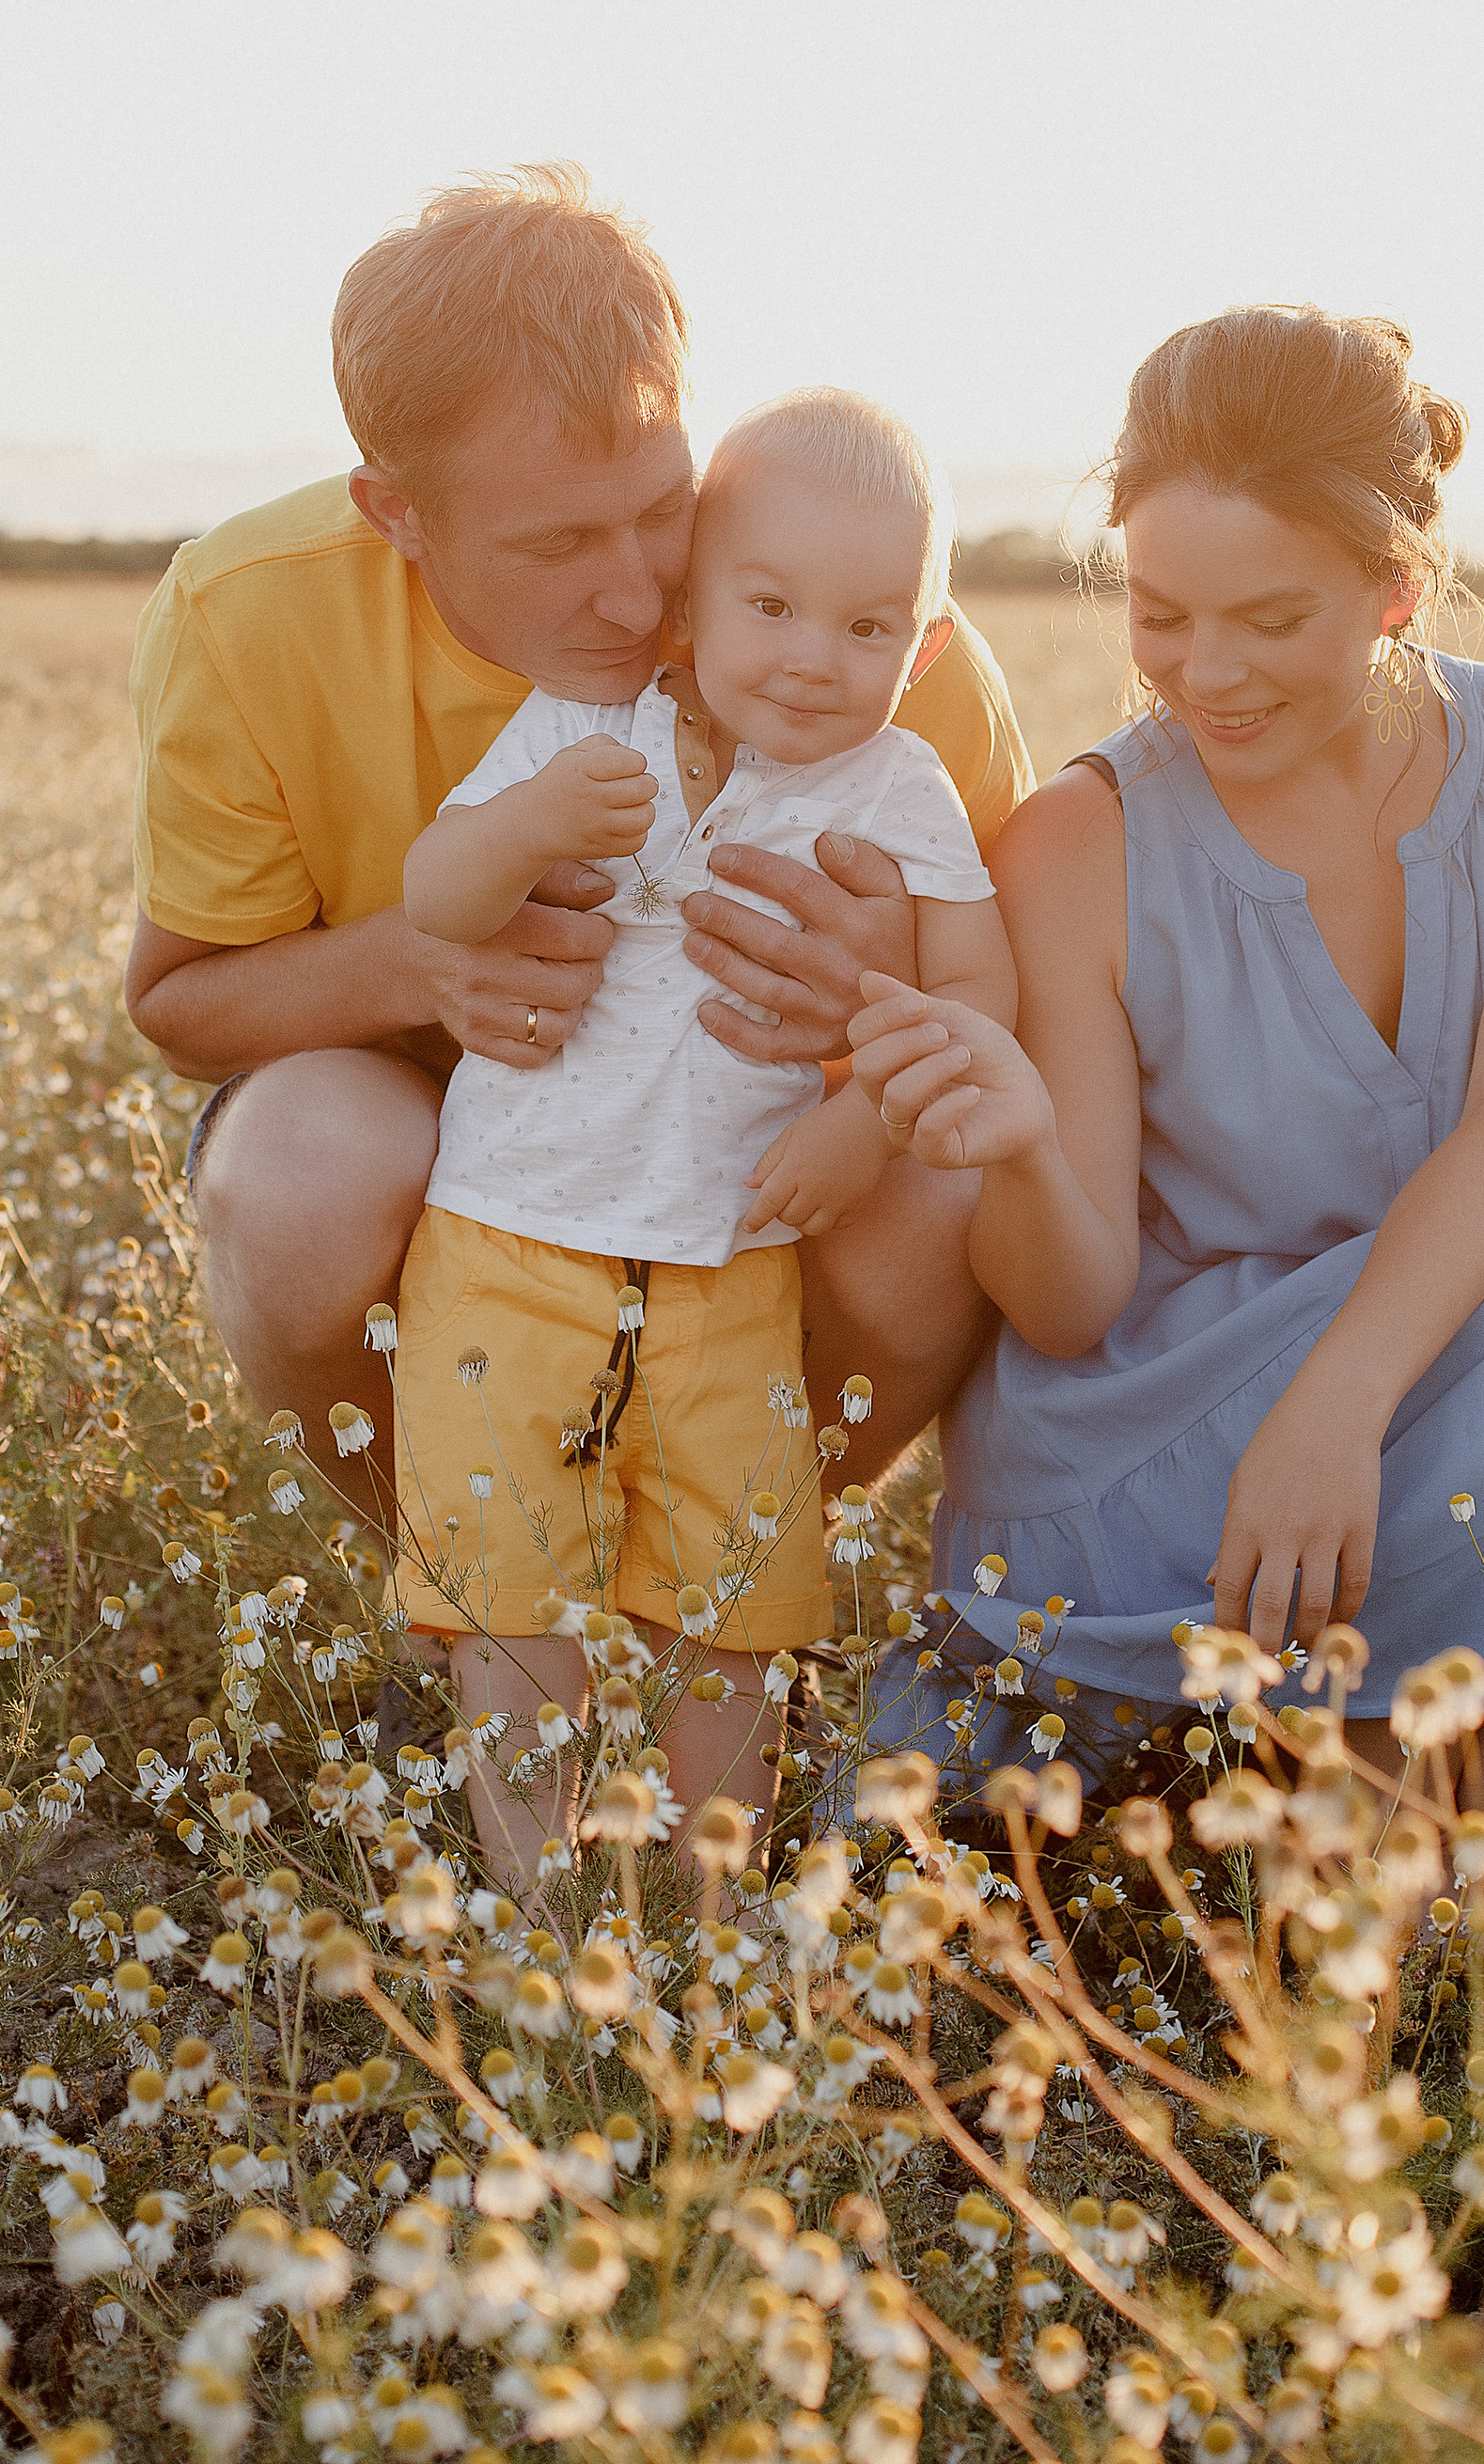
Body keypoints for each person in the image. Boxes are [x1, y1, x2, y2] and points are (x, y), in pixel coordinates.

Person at [849, 304, 1484, 1853]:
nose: (1204, 675)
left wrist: (1336, 1406)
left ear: (1397, 582)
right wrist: (1013, 1153)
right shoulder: (1080, 843)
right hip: (1137, 1458)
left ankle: (1309, 1789)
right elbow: (1066, 1309)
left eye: (1269, 620)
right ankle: (1271, 1766)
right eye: (1160, 614)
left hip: (1391, 1407)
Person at [122, 166, 1033, 1526]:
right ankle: (461, 1589)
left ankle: (729, 1592)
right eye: (554, 542)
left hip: (760, 1149)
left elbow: (1020, 1015)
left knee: (950, 1192)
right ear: (398, 515)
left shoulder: (845, 626)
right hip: (438, 1136)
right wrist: (425, 970)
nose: (636, 590)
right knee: (300, 1176)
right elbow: (182, 1003)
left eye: (661, 507)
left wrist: (882, 985)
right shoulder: (245, 614)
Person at [390, 389, 1016, 1889]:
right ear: (692, 605)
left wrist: (869, 1112)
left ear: (923, 648)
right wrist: (533, 820)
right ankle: (542, 1900)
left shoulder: (901, 787)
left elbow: (978, 994)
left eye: (871, 629)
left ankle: (702, 1902)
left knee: (731, 1603)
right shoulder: (580, 727)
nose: (815, 655)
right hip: (508, 1228)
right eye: (773, 605)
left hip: (732, 1257)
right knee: (509, 1592)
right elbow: (439, 897)